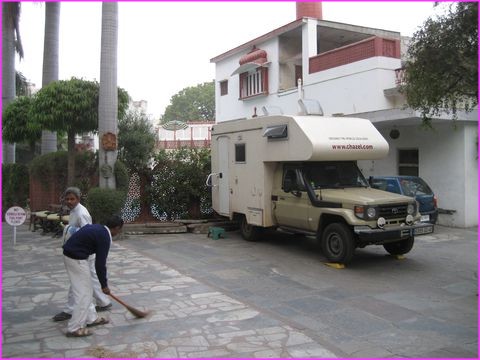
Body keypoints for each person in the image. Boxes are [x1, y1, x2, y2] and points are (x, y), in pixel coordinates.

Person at [53, 187, 112, 322]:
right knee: (84, 282)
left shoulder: (82, 213)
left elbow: (87, 231)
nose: (69, 201)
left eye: (72, 199)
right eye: (67, 199)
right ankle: (102, 303)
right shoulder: (74, 211)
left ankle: (73, 310)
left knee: (81, 284)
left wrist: (73, 231)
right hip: (80, 253)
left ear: (78, 199)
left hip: (84, 254)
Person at [62, 215, 124, 337]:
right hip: (76, 258)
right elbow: (100, 264)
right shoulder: (105, 237)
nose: (120, 232)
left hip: (73, 255)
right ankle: (74, 328)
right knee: (84, 294)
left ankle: (91, 319)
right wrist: (104, 285)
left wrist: (102, 284)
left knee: (87, 290)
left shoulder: (99, 228)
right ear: (117, 228)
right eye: (120, 229)